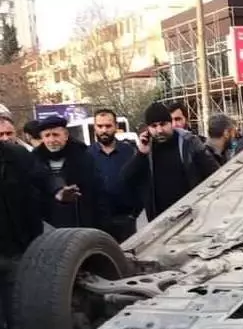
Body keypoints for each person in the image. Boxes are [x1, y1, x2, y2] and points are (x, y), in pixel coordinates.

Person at [0, 141, 78, 329]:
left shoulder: (15, 154)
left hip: (17, 251)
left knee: (21, 316)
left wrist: (58, 191)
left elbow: (43, 178)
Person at [122, 102, 219, 221]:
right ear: (148, 128)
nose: (159, 130)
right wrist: (141, 153)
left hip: (192, 216)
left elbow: (214, 174)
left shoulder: (189, 143)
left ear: (170, 123)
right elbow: (125, 178)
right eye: (154, 126)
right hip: (160, 221)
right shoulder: (146, 149)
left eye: (163, 124)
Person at [33, 115, 109, 230]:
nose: (52, 140)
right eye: (47, 136)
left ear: (66, 135)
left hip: (83, 223)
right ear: (42, 138)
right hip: (50, 226)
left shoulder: (83, 156)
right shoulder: (34, 159)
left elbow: (97, 191)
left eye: (55, 135)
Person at [89, 108, 143, 242]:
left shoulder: (129, 152)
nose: (104, 130)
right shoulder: (86, 155)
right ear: (94, 127)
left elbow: (140, 181)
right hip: (98, 223)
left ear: (116, 127)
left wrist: (134, 213)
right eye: (100, 126)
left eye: (108, 126)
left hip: (126, 220)